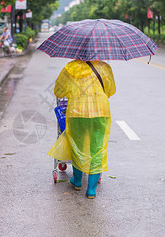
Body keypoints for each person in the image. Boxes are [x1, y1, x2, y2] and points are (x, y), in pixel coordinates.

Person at [48, 60, 116, 199]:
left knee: (77, 146)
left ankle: (78, 181)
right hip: (100, 113)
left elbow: (58, 91)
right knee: (97, 149)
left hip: (76, 112)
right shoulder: (104, 67)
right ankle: (91, 190)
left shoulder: (70, 68)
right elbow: (110, 90)